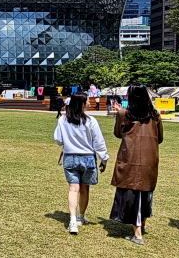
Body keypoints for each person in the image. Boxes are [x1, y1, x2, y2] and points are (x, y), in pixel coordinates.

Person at [109, 85, 164, 246]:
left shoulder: (123, 113)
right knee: (145, 192)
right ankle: (142, 224)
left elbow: (118, 133)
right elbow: (159, 138)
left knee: (131, 193)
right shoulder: (155, 115)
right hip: (149, 158)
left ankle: (138, 234)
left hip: (130, 157)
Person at [53, 93, 109, 235]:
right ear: (82, 104)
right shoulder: (91, 121)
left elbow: (58, 139)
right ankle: (81, 216)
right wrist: (104, 159)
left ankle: (72, 220)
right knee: (84, 189)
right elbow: (99, 142)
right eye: (88, 101)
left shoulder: (63, 120)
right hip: (88, 158)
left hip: (70, 157)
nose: (90, 103)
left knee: (73, 189)